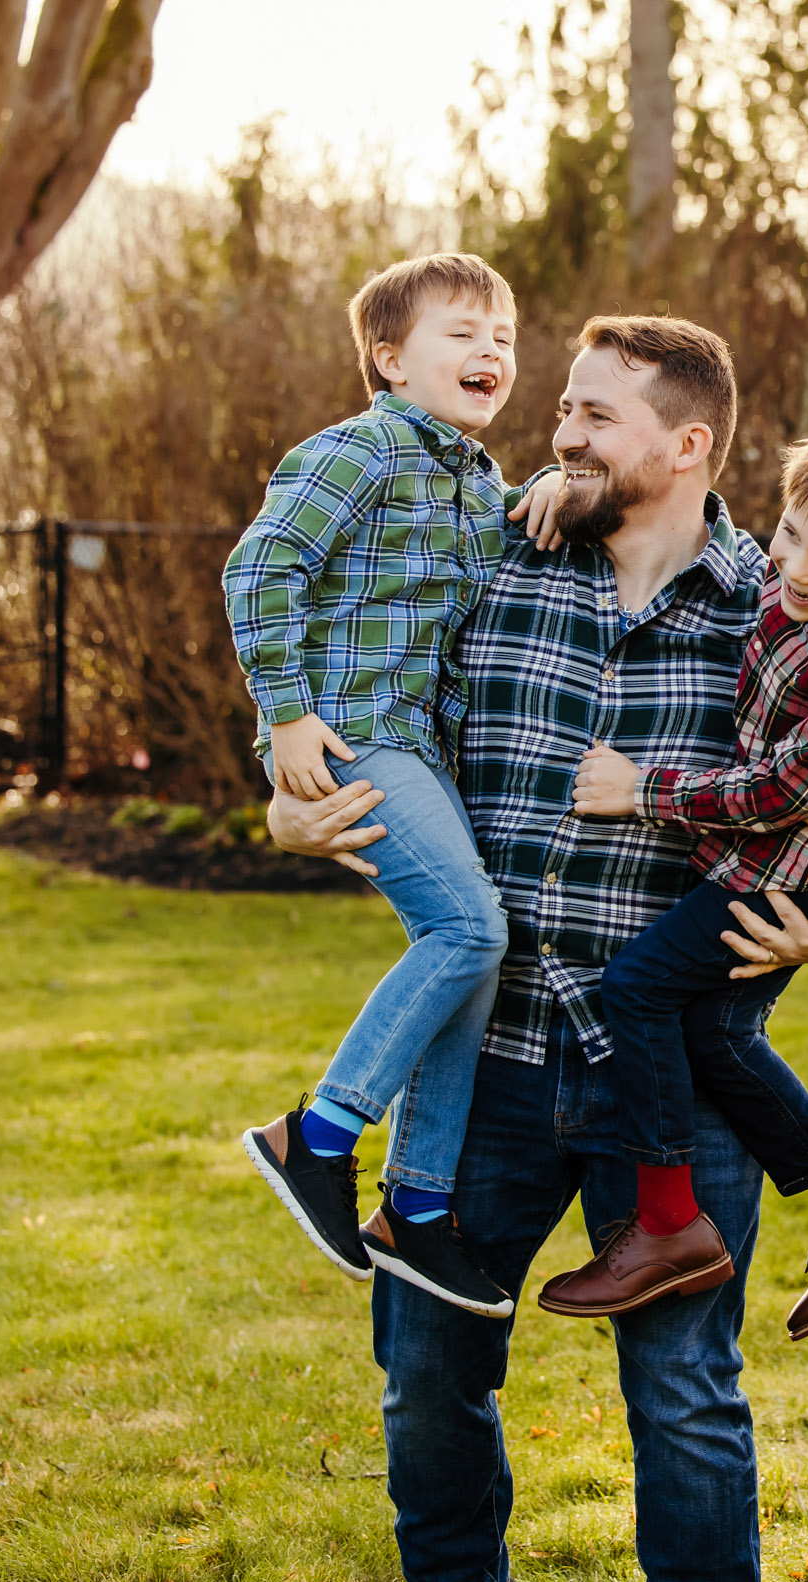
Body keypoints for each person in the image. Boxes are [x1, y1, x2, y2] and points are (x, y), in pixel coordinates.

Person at [268, 315, 808, 1582]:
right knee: (424, 1356)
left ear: (686, 444)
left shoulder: (781, 614)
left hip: (672, 1079)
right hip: (484, 1062)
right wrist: (288, 796)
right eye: (564, 411)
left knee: (682, 1392)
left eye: (596, 416)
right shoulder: (498, 555)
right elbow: (352, 666)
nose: (562, 434)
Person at [535, 404, 808, 1342]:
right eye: (792, 538)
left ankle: (665, 1224)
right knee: (714, 1030)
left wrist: (640, 791)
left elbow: (781, 792)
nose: (795, 572)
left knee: (642, 988)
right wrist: (558, 490)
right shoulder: (798, 579)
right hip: (787, 844)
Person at [223, 252, 521, 1318]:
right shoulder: (359, 449)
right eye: (463, 333)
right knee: (470, 931)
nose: (491, 352)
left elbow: (494, 558)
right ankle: (319, 1130)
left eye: (504, 338)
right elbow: (261, 567)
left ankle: (420, 1207)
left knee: (467, 953)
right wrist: (287, 710)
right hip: (347, 735)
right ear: (390, 360)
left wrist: (557, 497)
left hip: (416, 744)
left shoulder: (478, 481)